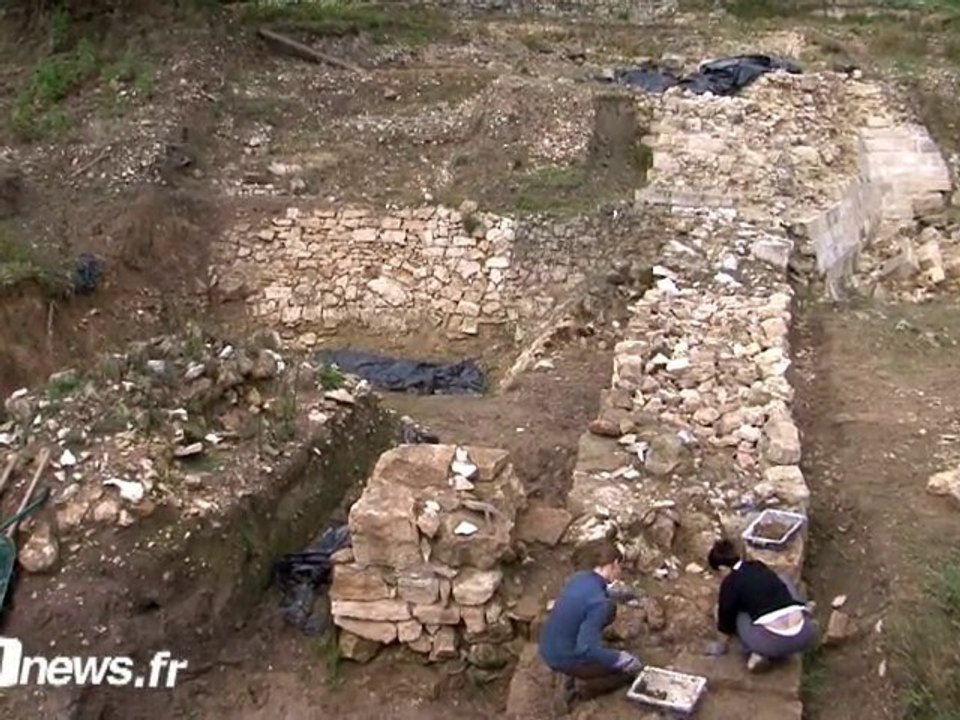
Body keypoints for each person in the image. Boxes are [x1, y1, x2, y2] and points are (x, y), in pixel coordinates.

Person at [539, 542, 643, 709]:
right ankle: (582, 688)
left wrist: (613, 594)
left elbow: (585, 598)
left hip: (548, 646)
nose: (621, 572)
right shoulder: (599, 603)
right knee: (628, 673)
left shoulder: (578, 578)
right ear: (613, 564)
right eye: (620, 567)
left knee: (610, 609)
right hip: (564, 657)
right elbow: (587, 649)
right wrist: (621, 659)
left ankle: (577, 669)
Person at [704, 538, 817, 672]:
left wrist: (720, 647)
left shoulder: (730, 584)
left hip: (773, 644)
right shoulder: (758, 565)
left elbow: (725, 622)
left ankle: (759, 654)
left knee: (738, 613)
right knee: (782, 580)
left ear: (722, 568)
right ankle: (803, 610)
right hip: (805, 634)